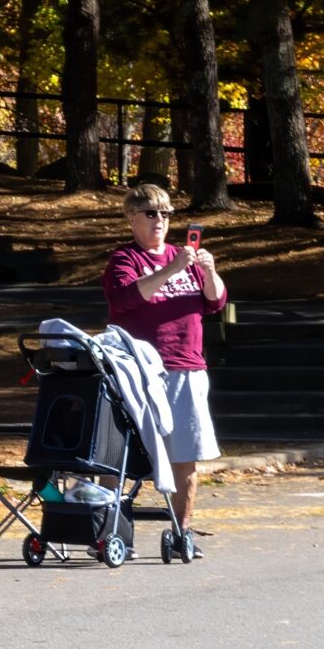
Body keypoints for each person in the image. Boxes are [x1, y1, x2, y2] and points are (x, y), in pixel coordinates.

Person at [103, 182, 225, 555]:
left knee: (185, 457)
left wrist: (208, 271)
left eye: (166, 214)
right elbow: (125, 298)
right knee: (116, 455)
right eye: (151, 214)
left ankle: (180, 534)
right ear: (131, 219)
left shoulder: (184, 256)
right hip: (140, 372)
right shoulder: (125, 260)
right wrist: (171, 269)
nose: (160, 221)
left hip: (187, 368)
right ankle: (109, 532)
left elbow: (216, 302)